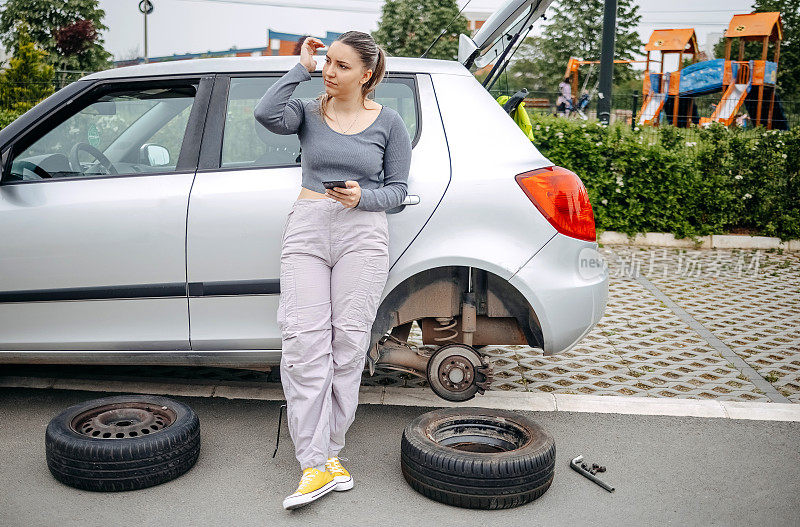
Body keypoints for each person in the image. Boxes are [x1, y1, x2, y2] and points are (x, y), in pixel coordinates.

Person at [253, 32, 412, 510]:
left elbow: (399, 191)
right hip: (308, 226)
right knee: (304, 342)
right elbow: (265, 114)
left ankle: (330, 453)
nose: (330, 71)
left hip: (362, 233)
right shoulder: (305, 110)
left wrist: (364, 196)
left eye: (342, 66)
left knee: (347, 344)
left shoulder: (390, 123)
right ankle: (314, 463)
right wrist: (297, 67)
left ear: (366, 74)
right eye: (327, 62)